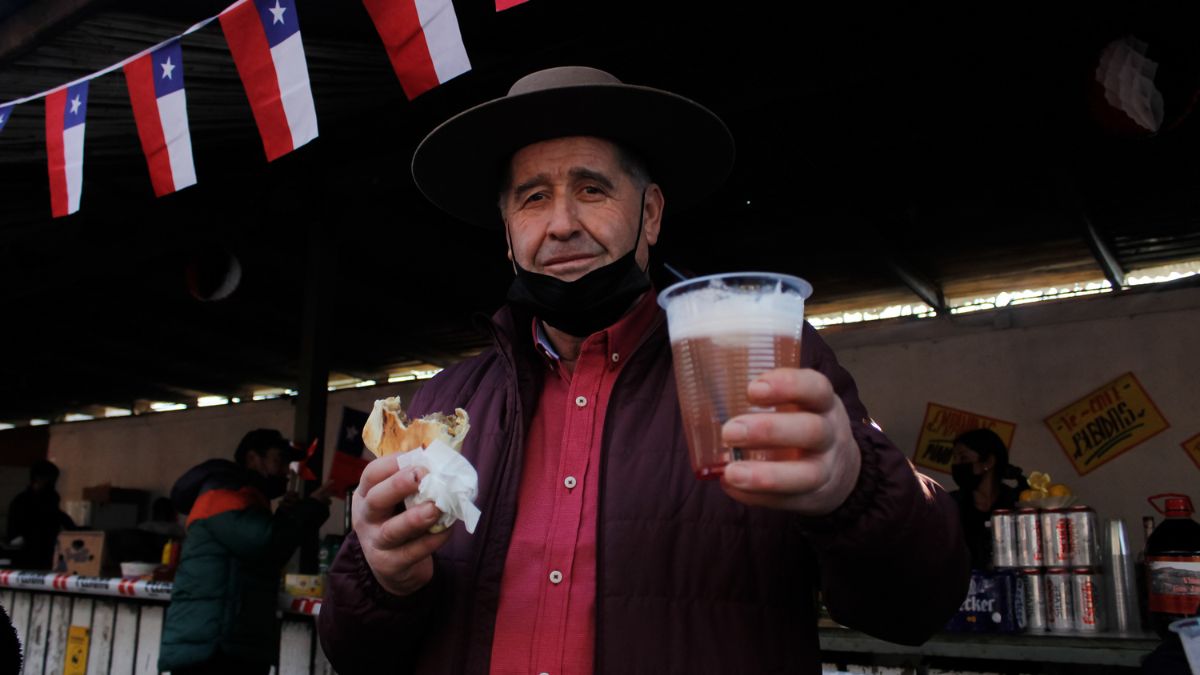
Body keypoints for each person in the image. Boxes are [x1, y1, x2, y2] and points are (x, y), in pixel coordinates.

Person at [319, 66, 970, 675]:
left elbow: (916, 608)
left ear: (651, 214)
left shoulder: (761, 357)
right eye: (533, 198)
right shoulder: (442, 404)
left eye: (592, 189)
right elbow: (353, 652)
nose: (562, 223)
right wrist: (381, 578)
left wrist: (852, 490)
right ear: (507, 231)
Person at [158, 429, 332, 675]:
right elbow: (265, 544)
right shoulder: (223, 495)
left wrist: (286, 515)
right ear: (252, 458)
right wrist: (310, 508)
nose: (285, 470)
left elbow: (256, 552)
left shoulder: (244, 499)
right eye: (279, 460)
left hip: (222, 642)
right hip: (215, 647)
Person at [948, 428, 1028, 569]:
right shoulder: (949, 504)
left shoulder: (1017, 503)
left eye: (963, 458)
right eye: (954, 458)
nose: (956, 465)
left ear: (988, 462)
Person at [6, 459, 75, 570]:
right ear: (38, 478)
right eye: (49, 480)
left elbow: (59, 517)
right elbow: (14, 535)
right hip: (27, 557)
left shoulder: (49, 499)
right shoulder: (22, 501)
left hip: (46, 555)